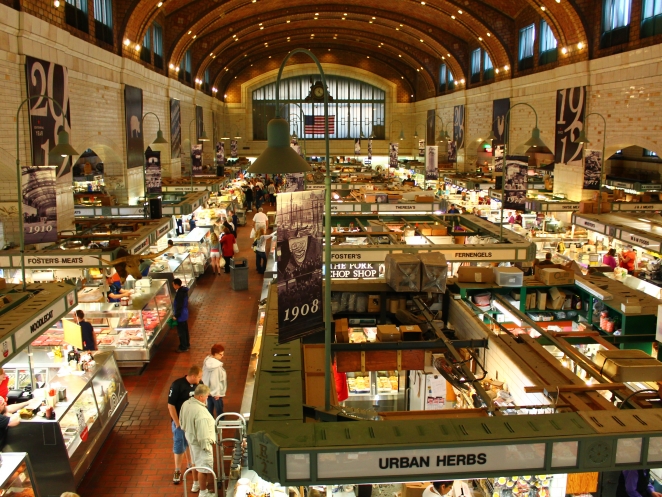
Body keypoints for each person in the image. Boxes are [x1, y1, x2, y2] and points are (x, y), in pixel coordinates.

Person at [167, 365, 203, 485]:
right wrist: (177, 423)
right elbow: (171, 405)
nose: (200, 379)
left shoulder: (199, 384)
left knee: (190, 443)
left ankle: (190, 464)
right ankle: (177, 470)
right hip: (180, 423)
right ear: (192, 376)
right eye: (199, 376)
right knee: (179, 445)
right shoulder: (177, 385)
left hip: (193, 421)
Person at [180, 384, 216, 497]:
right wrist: (207, 445)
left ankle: (196, 484)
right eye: (206, 396)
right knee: (203, 467)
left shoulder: (186, 403)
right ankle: (203, 492)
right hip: (201, 443)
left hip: (191, 438)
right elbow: (203, 432)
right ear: (200, 396)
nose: (207, 398)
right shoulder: (201, 412)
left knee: (195, 462)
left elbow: (182, 420)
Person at [202, 343, 227, 418]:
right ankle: (221, 424)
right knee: (219, 410)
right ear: (215, 354)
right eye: (221, 354)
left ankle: (211, 424)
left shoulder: (207, 361)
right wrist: (217, 393)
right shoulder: (216, 367)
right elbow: (215, 380)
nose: (222, 356)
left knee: (209, 409)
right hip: (216, 393)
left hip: (207, 390)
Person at [173, 278, 190, 352]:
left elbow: (179, 306)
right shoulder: (184, 291)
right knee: (185, 330)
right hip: (184, 313)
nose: (173, 286)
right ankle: (187, 344)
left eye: (173, 285)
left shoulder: (179, 294)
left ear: (176, 285)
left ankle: (183, 347)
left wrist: (176, 315)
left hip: (181, 315)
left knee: (181, 332)